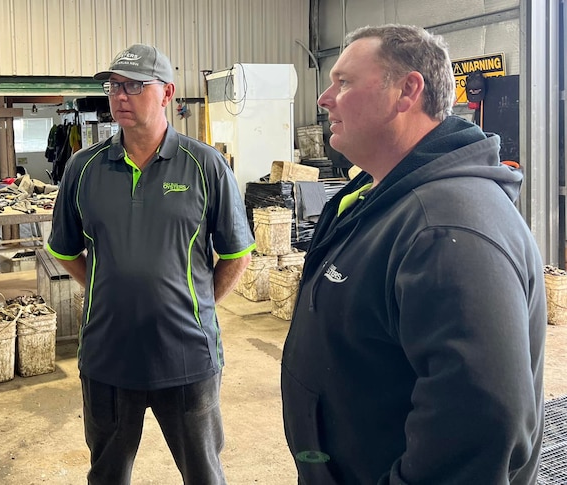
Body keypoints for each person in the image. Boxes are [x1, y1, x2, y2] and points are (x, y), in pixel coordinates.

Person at [281, 24, 545, 483]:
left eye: (343, 82)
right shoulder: (375, 190)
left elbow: (480, 426)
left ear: (407, 91)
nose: (324, 99)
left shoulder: (445, 228)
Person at [46, 43, 255, 484]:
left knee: (203, 473)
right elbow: (65, 250)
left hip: (187, 356)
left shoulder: (206, 166)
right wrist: (108, 288)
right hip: (108, 357)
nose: (120, 96)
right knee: (106, 474)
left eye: (135, 86)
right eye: (114, 86)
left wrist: (195, 302)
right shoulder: (83, 169)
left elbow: (236, 253)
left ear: (167, 94)